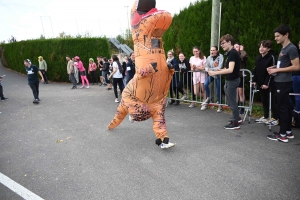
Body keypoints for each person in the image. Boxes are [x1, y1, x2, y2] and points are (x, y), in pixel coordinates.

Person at [267, 24, 300, 142]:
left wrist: (277, 70)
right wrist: (274, 67)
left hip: (284, 82)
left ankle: (282, 135)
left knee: (283, 108)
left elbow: (296, 67)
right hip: (280, 81)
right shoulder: (284, 48)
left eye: (277, 36)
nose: (275, 38)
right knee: (286, 107)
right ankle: (288, 132)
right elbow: (285, 64)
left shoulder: (291, 48)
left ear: (286, 35)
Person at [208, 34, 241, 130]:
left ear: (229, 42)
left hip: (232, 80)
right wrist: (220, 70)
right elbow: (229, 68)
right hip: (230, 80)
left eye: (223, 43)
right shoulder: (231, 53)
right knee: (231, 100)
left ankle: (236, 123)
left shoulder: (233, 53)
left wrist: (214, 72)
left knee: (232, 102)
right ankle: (237, 118)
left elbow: (230, 70)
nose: (222, 45)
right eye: (221, 44)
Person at [253, 40, 278, 124]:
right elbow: (255, 69)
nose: (261, 48)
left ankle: (275, 117)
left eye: (264, 47)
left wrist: (266, 83)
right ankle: (266, 116)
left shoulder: (272, 57)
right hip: (261, 82)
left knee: (271, 100)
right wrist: (254, 80)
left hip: (270, 83)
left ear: (268, 48)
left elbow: (272, 72)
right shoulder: (258, 58)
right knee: (264, 100)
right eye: (260, 46)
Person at [204, 46, 224, 112]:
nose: (212, 52)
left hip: (218, 75)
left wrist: (210, 70)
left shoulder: (220, 56)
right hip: (211, 75)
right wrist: (209, 70)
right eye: (211, 50)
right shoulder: (209, 57)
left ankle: (220, 106)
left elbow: (220, 67)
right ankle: (209, 97)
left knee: (218, 91)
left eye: (213, 50)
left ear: (217, 51)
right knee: (205, 84)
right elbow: (206, 67)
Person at [234, 43, 248, 114]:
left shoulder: (242, 54)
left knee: (241, 92)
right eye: (234, 47)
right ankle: (237, 107)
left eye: (237, 47)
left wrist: (242, 50)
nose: (235, 48)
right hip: (235, 76)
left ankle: (243, 108)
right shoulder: (233, 55)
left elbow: (243, 57)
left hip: (241, 75)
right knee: (236, 92)